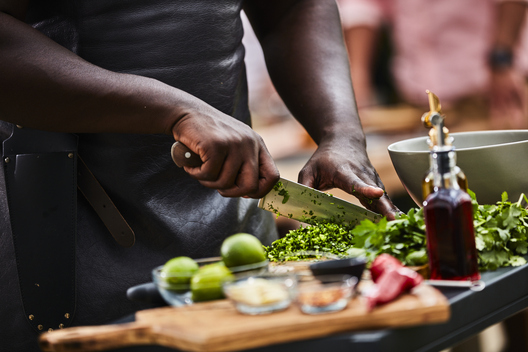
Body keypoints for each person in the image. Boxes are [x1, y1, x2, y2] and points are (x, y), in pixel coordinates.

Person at [0, 1, 399, 350]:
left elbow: (292, 7)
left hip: (235, 222)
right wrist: (173, 110)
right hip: (68, 231)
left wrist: (339, 131)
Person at [338, 0, 528, 130]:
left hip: (490, 96)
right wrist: (357, 75)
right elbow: (363, 6)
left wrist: (502, 60)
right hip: (419, 103)